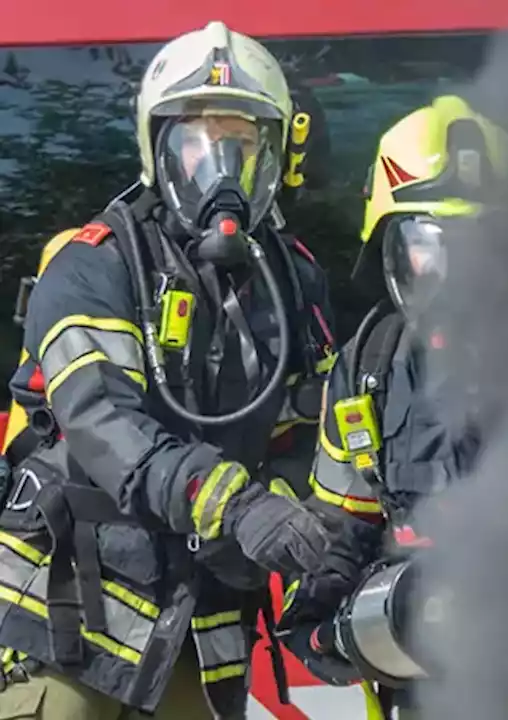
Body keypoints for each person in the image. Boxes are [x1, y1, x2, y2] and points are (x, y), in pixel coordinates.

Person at [0, 21, 356, 719]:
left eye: (242, 143)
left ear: (276, 154)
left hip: (199, 630)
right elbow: (105, 421)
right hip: (68, 617)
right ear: (158, 150)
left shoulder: (294, 281)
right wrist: (235, 506)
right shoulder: (93, 264)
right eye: (196, 142)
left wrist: (303, 521)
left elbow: (306, 433)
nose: (218, 166)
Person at [275, 94, 507, 718]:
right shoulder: (368, 365)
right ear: (392, 250)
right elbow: (344, 521)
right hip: (417, 681)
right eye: (429, 241)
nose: (451, 271)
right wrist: (324, 615)